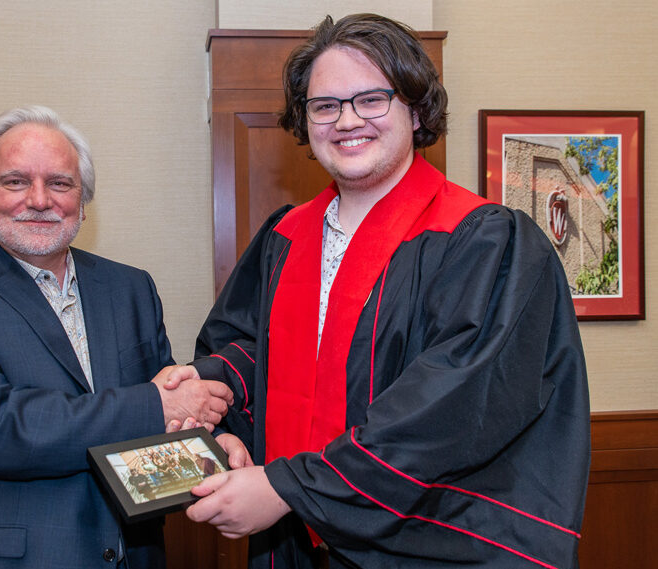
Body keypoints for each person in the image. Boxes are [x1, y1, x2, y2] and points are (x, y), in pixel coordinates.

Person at [172, 13, 591, 569]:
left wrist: (288, 488)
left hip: (423, 545)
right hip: (294, 540)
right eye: (325, 106)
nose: (347, 121)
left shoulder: (484, 242)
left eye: (372, 99)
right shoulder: (285, 237)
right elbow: (248, 345)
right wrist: (211, 398)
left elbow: (448, 410)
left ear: (415, 110)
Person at [0, 106, 234, 569]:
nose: (38, 199)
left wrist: (214, 446)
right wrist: (158, 406)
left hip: (133, 553)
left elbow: (168, 418)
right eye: (15, 181)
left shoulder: (131, 288)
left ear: (83, 199)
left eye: (59, 183)